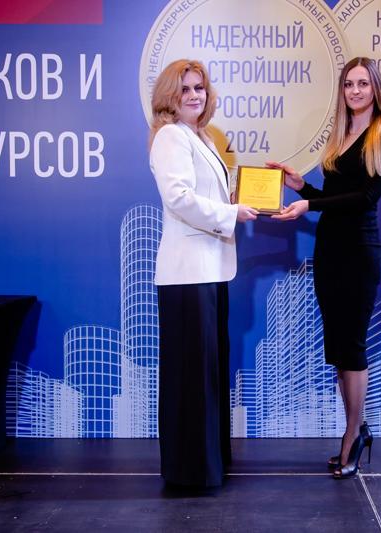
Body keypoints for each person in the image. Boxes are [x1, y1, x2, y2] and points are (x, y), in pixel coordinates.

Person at [268, 57, 381, 479]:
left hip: (359, 254)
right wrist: (300, 187)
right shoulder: (341, 135)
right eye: (349, 84)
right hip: (329, 252)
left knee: (353, 348)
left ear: (375, 88)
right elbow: (333, 198)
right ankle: (356, 429)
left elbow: (364, 199)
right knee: (339, 351)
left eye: (363, 83)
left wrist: (309, 203)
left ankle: (352, 435)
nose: (355, 91)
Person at [149, 59, 258, 488]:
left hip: (210, 270)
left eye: (200, 87)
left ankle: (207, 464)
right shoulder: (170, 136)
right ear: (170, 96)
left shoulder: (201, 136)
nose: (195, 95)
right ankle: (190, 471)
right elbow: (178, 198)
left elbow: (204, 195)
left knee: (207, 373)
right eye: (185, 89)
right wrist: (231, 213)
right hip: (187, 274)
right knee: (191, 377)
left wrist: (236, 200)